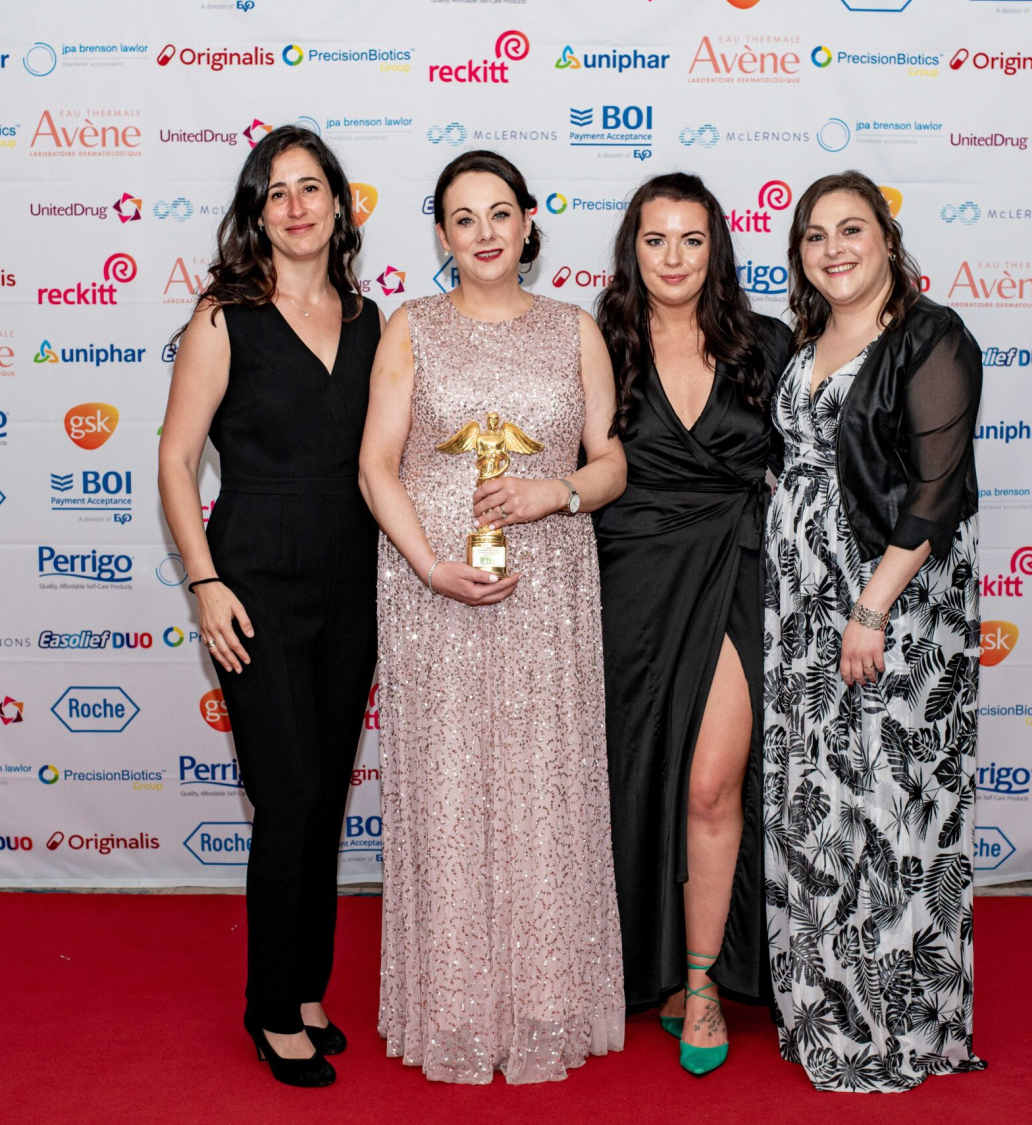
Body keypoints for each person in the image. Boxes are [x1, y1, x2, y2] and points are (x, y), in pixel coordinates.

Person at [358, 150, 628, 1084]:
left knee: (544, 789)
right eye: (463, 217)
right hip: (433, 598)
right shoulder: (411, 328)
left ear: (527, 225)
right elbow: (375, 468)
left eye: (499, 213)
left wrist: (553, 492)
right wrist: (431, 566)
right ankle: (458, 1007)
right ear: (441, 234)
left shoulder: (573, 329)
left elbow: (610, 463)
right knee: (452, 790)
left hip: (547, 595)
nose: (483, 232)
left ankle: (550, 999)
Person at [157, 125, 381, 1088]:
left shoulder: (372, 319)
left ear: (340, 204)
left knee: (324, 795)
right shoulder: (226, 316)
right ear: (258, 214)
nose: (294, 206)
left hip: (355, 582)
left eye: (310, 188)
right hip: (251, 589)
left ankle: (306, 986)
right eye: (274, 192)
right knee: (285, 793)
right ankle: (267, 1006)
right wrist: (206, 584)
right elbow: (174, 459)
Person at [762, 170, 987, 1092]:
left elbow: (937, 490)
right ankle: (826, 1009)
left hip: (892, 608)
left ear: (887, 240)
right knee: (818, 799)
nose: (834, 249)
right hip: (803, 608)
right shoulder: (812, 338)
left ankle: (899, 1024)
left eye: (851, 230)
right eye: (815, 236)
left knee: (894, 803)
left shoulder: (931, 336)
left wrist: (870, 607)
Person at [592, 173, 789, 1076]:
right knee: (639, 779)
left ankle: (703, 981)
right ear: (632, 249)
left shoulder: (770, 345)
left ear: (717, 249)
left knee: (713, 784)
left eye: (692, 240)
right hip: (630, 581)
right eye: (655, 239)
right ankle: (650, 967)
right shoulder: (597, 345)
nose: (673, 258)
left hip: (736, 571)